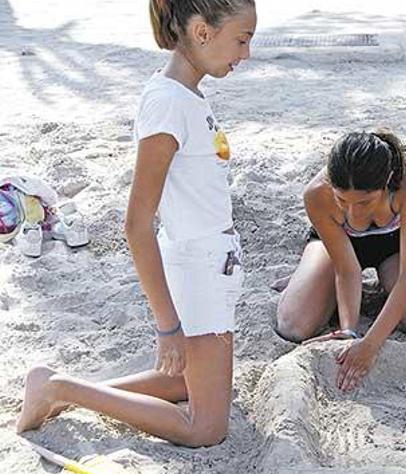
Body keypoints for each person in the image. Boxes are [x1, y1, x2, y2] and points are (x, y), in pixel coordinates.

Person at [17, 0, 257, 447]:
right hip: (199, 266)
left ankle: (61, 393)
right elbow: (136, 223)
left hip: (211, 263)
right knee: (206, 428)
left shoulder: (185, 95)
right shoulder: (168, 104)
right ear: (202, 32)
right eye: (241, 40)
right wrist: (168, 325)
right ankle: (57, 388)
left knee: (187, 384)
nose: (245, 54)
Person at [275, 131, 406, 392]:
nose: (354, 214)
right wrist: (349, 332)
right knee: (293, 326)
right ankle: (307, 274)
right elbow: (347, 269)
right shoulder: (316, 194)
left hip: (395, 246)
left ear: (388, 181)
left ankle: (359, 283)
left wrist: (370, 344)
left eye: (365, 202)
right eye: (342, 201)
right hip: (338, 249)